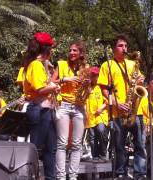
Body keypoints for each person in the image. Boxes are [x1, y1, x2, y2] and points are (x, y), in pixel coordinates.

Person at [97, 34, 144, 178]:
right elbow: (104, 88)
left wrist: (141, 80)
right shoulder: (107, 65)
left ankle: (140, 174)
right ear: (113, 49)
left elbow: (139, 81)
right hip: (118, 112)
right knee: (119, 146)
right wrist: (117, 103)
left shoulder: (132, 63)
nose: (124, 48)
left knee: (140, 145)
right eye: (120, 46)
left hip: (136, 110)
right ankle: (120, 173)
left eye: (125, 46)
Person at [22, 32, 59, 180]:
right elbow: (39, 89)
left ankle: (51, 177)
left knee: (50, 149)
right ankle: (31, 177)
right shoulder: (36, 65)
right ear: (46, 49)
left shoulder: (40, 65)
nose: (52, 51)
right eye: (51, 48)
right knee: (36, 149)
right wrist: (55, 87)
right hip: (38, 109)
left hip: (45, 110)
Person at [51, 40, 88, 180]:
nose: (71, 53)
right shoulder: (61, 64)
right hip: (64, 105)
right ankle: (61, 177)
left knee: (77, 144)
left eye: (75, 51)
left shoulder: (86, 68)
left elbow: (88, 90)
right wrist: (65, 79)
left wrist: (87, 84)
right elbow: (51, 82)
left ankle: (73, 177)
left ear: (80, 53)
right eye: (70, 50)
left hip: (79, 106)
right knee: (62, 143)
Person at [136, 76, 153, 179]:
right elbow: (139, 116)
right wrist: (146, 126)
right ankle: (141, 175)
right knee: (144, 155)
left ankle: (152, 176)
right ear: (147, 85)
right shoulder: (141, 99)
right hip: (144, 130)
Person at [85, 66, 109, 162]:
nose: (95, 77)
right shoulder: (87, 87)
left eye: (96, 75)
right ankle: (95, 156)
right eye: (93, 75)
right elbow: (82, 100)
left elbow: (108, 100)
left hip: (101, 115)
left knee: (101, 131)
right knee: (92, 138)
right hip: (90, 116)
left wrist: (102, 108)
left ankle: (103, 154)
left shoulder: (101, 87)